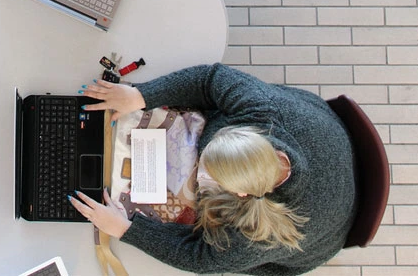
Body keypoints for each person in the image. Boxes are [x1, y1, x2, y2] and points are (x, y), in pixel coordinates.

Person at [70, 64, 357, 276]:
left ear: (241, 193)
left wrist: (125, 229)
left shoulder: (256, 237)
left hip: (324, 230)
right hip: (329, 134)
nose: (198, 171)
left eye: (206, 173)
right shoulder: (262, 112)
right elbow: (211, 79)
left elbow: (199, 257)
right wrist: (140, 96)